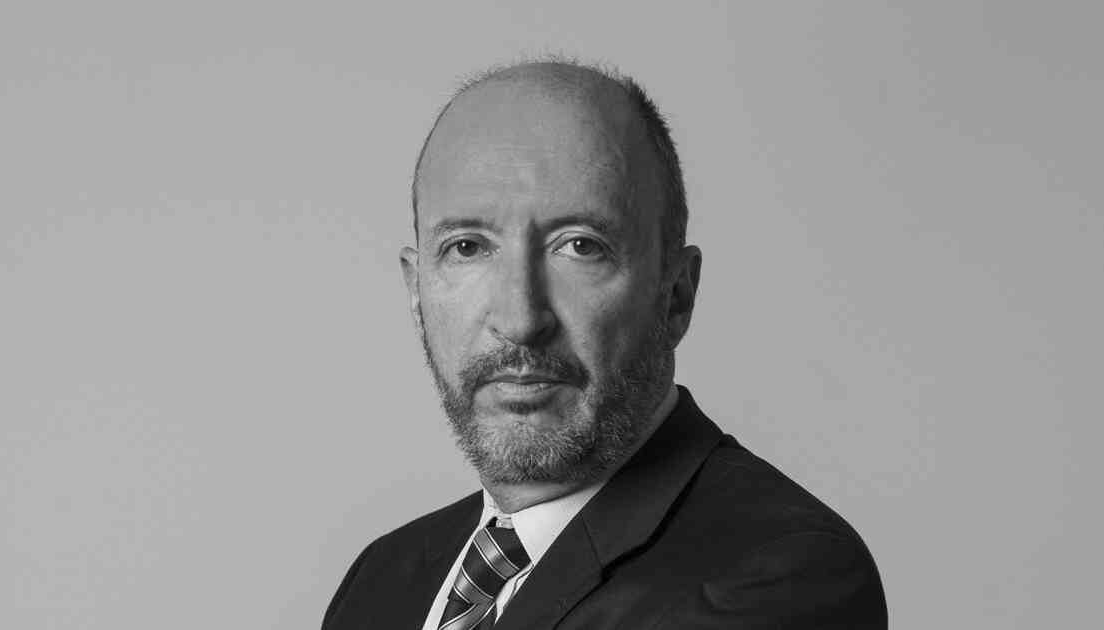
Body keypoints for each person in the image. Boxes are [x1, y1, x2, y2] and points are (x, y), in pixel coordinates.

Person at [322, 60, 887, 630]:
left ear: (675, 296)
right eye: (467, 248)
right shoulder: (382, 580)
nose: (520, 320)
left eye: (580, 247)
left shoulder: (781, 576)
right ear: (416, 291)